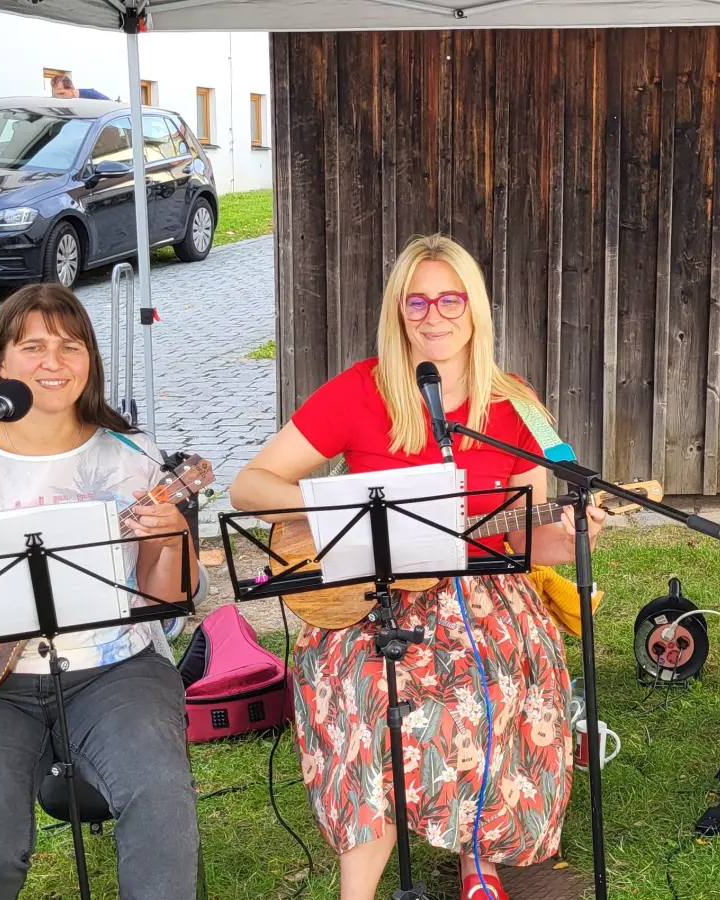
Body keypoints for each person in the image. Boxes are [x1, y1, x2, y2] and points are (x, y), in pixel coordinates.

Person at [229, 234, 602, 900]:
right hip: (372, 592)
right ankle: (359, 890)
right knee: (367, 698)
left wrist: (575, 535)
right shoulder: (361, 389)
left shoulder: (513, 405)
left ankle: (478, 862)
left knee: (496, 686)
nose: (434, 316)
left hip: (485, 595)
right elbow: (250, 487)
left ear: (475, 308)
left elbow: (528, 543)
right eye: (417, 301)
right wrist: (347, 504)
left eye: (450, 299)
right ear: (398, 311)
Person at [0, 283, 202, 899]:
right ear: (1, 363)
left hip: (117, 667)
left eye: (69, 345)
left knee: (162, 803)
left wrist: (168, 540)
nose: (53, 362)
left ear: (91, 358)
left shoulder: (132, 456)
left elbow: (167, 601)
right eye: (32, 346)